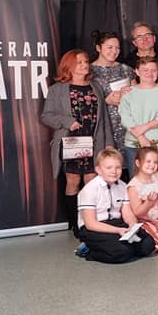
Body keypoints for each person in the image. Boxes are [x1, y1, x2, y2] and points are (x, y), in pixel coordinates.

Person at [41, 50, 113, 235]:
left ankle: (90, 222)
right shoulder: (57, 89)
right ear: (69, 65)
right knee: (73, 181)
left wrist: (109, 143)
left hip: (94, 141)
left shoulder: (95, 87)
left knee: (92, 181)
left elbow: (104, 118)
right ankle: (75, 224)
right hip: (71, 142)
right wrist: (67, 122)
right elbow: (46, 116)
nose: (84, 65)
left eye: (86, 61)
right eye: (79, 62)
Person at [76, 147, 156, 263]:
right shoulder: (89, 190)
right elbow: (90, 224)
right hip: (95, 227)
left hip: (116, 223)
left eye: (117, 167)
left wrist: (132, 226)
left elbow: (127, 213)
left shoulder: (122, 186)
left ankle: (123, 247)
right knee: (121, 253)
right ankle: (88, 249)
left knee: (148, 245)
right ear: (98, 170)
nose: (114, 171)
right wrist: (118, 231)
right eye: (108, 168)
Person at [118, 57, 158, 170]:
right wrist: (141, 137)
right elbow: (125, 117)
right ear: (137, 71)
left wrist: (145, 127)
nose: (149, 73)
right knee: (136, 177)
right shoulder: (128, 92)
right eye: (145, 70)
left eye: (153, 70)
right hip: (134, 143)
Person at [89, 30, 135, 153]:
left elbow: (138, 96)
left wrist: (127, 96)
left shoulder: (126, 70)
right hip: (101, 126)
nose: (114, 51)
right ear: (98, 48)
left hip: (126, 125)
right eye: (110, 47)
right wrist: (105, 101)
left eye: (117, 48)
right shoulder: (88, 71)